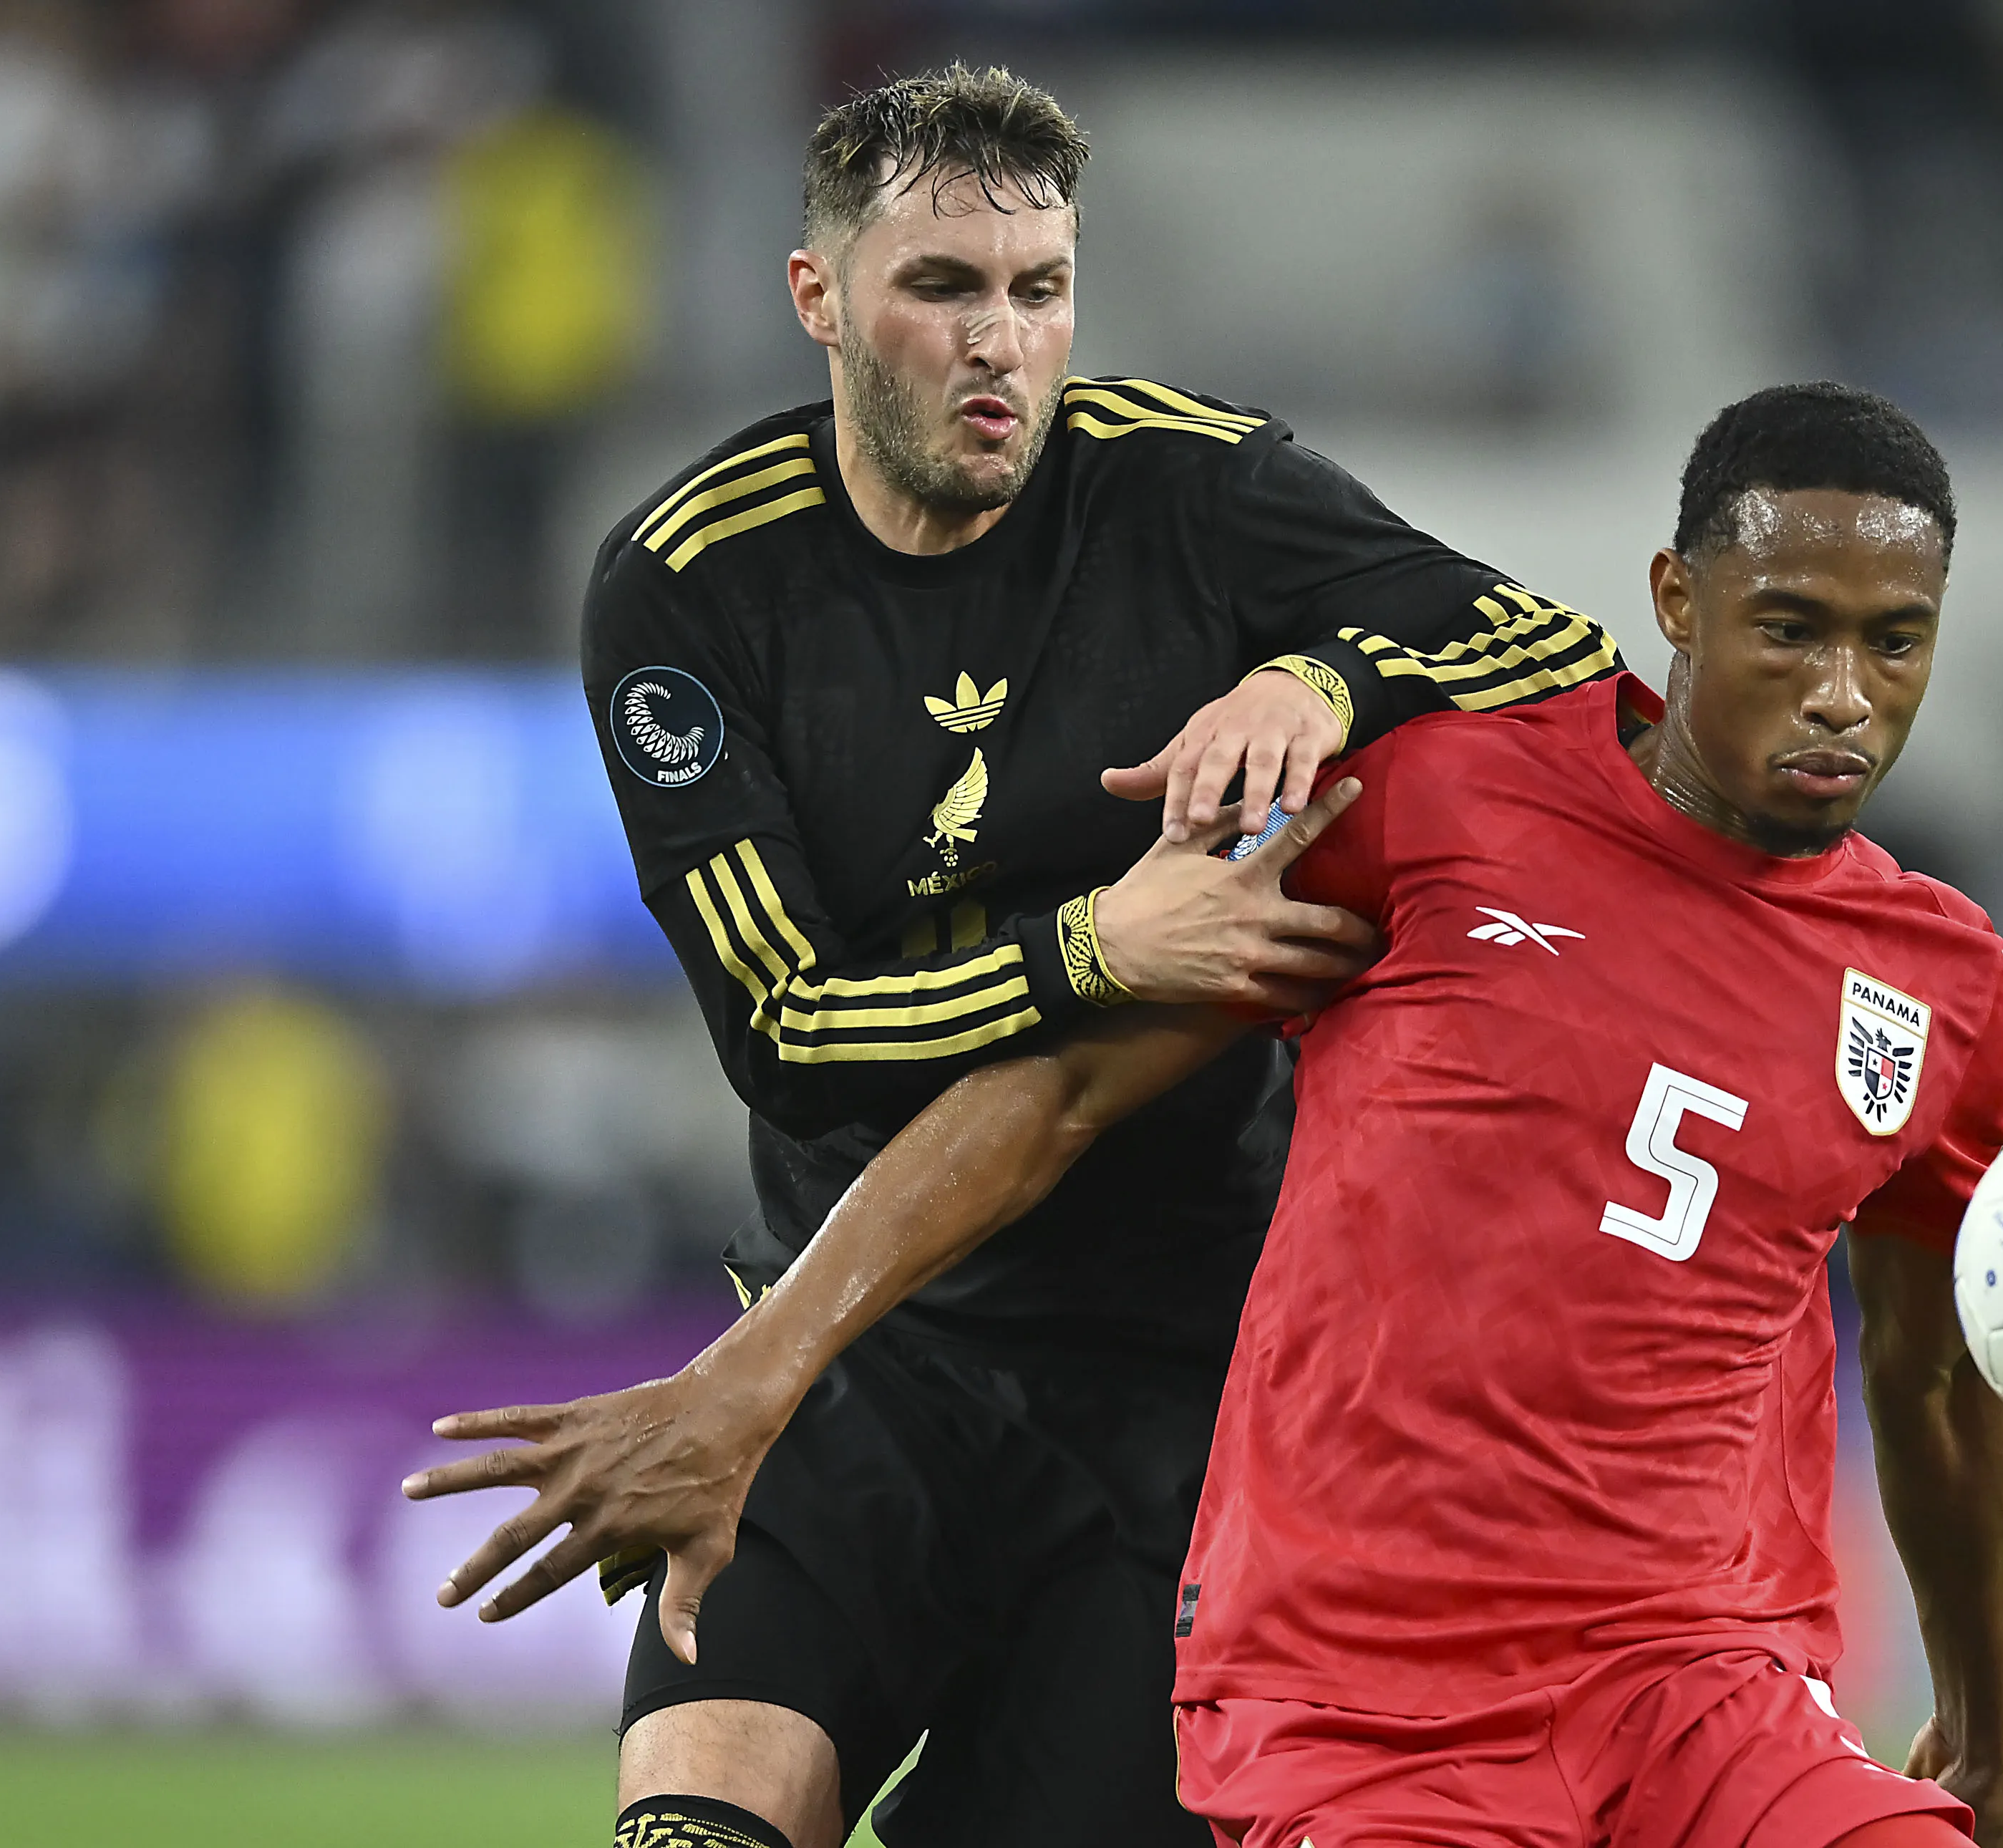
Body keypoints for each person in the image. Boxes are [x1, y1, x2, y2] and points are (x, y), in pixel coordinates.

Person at [416, 382, 2003, 1848]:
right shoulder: (1438, 800)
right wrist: (752, 1372)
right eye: (1790, 631)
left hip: (1699, 1679)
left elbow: (1935, 1371)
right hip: (1365, 1698)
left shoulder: (1940, 984)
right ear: (1676, 600)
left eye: (1895, 644)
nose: (1842, 695)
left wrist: (1984, 1717)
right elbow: (1058, 1089)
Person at [402, 63, 1615, 1848]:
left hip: (1183, 1395)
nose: (1000, 344)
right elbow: (790, 1033)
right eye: (942, 287)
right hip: (858, 1348)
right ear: (819, 298)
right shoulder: (689, 582)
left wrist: (1318, 675)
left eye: (1040, 290)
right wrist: (1099, 946)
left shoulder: (1192, 486)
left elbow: (1555, 649)